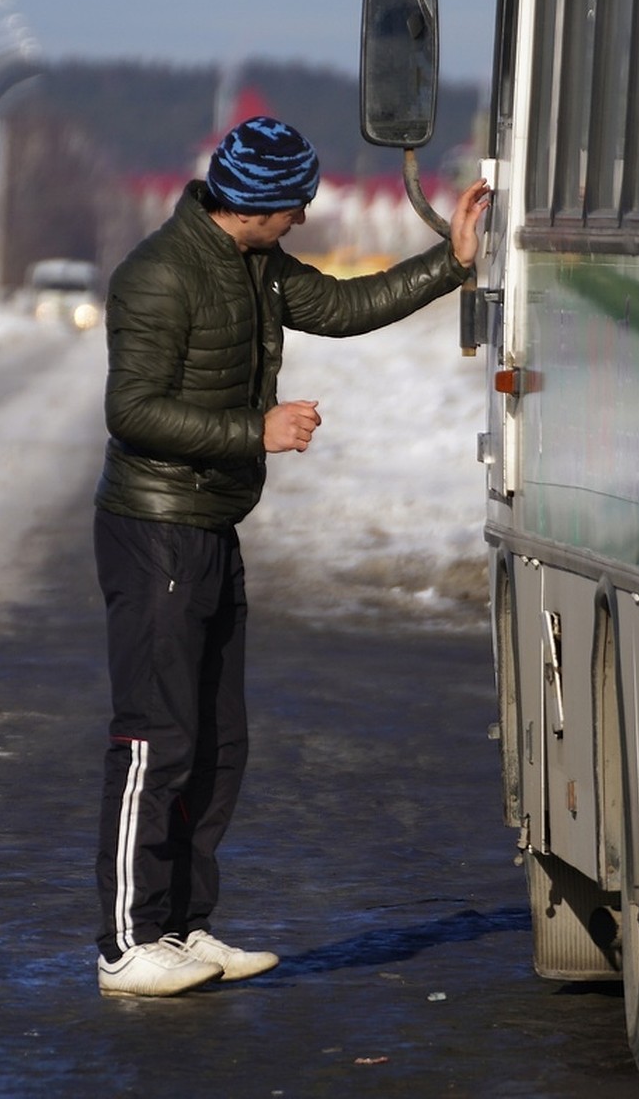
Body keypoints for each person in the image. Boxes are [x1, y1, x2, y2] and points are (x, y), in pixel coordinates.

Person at [92, 115, 490, 997]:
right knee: (157, 739)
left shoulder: (257, 264)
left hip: (210, 525)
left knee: (218, 743)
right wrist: (255, 430)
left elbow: (345, 308)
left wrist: (454, 263)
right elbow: (133, 411)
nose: (305, 219)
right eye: (297, 205)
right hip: (154, 527)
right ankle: (127, 945)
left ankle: (184, 930)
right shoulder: (159, 276)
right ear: (261, 204)